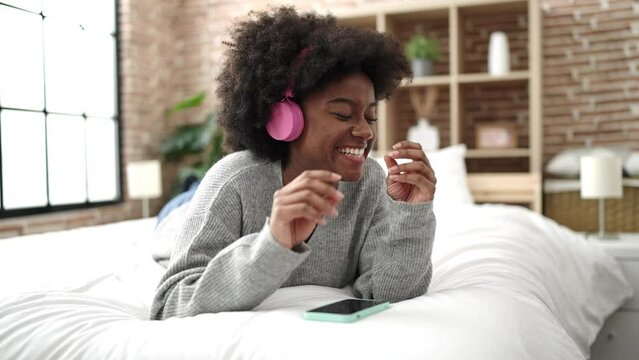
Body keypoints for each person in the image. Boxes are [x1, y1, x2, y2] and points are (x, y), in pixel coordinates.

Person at [150, 6, 436, 320]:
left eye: (370, 117)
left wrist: (412, 215)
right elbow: (171, 304)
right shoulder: (233, 181)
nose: (366, 132)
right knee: (179, 214)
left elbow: (387, 292)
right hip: (179, 216)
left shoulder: (370, 182)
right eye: (342, 114)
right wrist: (273, 242)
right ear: (285, 117)